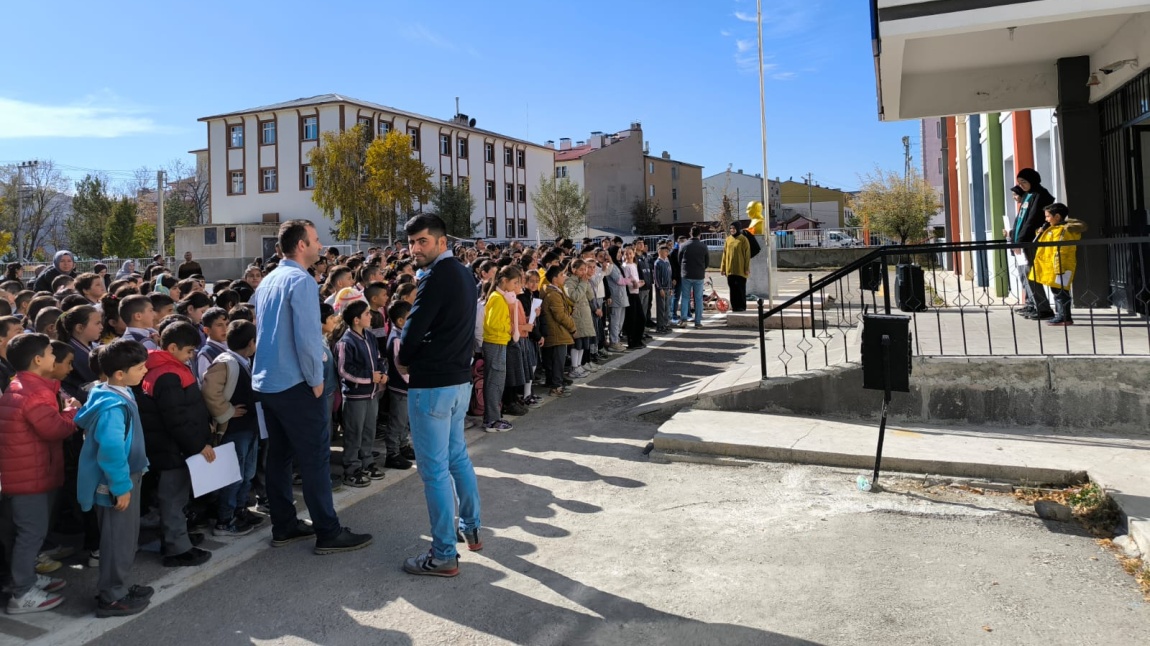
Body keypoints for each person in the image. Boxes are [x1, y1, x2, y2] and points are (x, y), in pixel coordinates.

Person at [253, 219, 372, 555]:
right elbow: (307, 339)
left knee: (279, 455)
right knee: (315, 457)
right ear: (301, 245)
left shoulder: (268, 280)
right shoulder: (300, 281)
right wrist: (317, 380)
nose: (321, 245)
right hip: (295, 382)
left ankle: (285, 525)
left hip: (269, 381)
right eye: (316, 239)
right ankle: (328, 531)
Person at [396, 214, 481, 577]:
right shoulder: (464, 272)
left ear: (442, 242)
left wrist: (403, 358)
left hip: (433, 385)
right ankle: (471, 528)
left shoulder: (435, 277)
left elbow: (413, 330)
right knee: (457, 457)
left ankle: (444, 553)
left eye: (423, 242)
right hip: (458, 381)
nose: (415, 248)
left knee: (434, 472)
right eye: (412, 242)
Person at [75, 340, 154, 617]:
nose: (145, 370)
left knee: (122, 537)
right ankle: (112, 597)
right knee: (118, 541)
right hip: (115, 481)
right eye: (140, 367)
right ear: (120, 373)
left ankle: (118, 587)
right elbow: (111, 450)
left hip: (123, 476)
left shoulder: (111, 391)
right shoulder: (113, 406)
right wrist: (121, 487)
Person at [0, 334, 79, 614]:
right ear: (37, 360)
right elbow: (55, 429)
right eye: (49, 353)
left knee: (21, 534)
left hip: (24, 474)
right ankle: (22, 594)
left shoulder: (23, 385)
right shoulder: (34, 393)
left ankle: (22, 579)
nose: (53, 358)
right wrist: (71, 413)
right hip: (29, 478)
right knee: (30, 534)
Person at [135, 321, 214, 568]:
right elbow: (175, 418)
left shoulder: (164, 366)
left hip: (174, 446)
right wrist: (197, 445)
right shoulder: (167, 374)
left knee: (176, 497)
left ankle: (177, 537)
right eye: (189, 351)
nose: (192, 356)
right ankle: (176, 549)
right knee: (173, 498)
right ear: (171, 347)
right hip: (173, 448)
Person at [201, 320, 264, 536]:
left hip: (250, 427)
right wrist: (226, 411)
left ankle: (240, 510)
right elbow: (209, 391)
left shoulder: (244, 360)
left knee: (247, 473)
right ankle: (224, 520)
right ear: (251, 342)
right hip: (234, 430)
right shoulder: (225, 362)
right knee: (233, 475)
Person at [336, 300, 387, 486]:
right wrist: (370, 377)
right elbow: (344, 370)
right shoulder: (346, 342)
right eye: (366, 314)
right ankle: (351, 468)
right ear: (356, 320)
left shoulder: (370, 337)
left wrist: (382, 374)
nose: (371, 316)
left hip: (372, 394)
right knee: (353, 432)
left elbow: (379, 359)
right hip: (355, 396)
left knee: (368, 430)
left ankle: (367, 461)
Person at [1029, 203, 1087, 327]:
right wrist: (1039, 232)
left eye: (1048, 216)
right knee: (1057, 292)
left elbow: (1059, 250)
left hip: (1060, 266)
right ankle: (1060, 315)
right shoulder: (1053, 229)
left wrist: (1058, 267)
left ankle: (1064, 317)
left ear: (1057, 216)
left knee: (1061, 293)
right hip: (1053, 266)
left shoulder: (1063, 231)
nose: (1046, 219)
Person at [1012, 168, 1057, 320]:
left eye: (1024, 182)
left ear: (1032, 180)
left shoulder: (1041, 195)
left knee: (1032, 274)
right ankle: (1034, 305)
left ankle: (1043, 308)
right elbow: (1020, 220)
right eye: (1019, 183)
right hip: (1022, 241)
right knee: (1026, 274)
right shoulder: (1027, 195)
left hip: (1031, 241)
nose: (1022, 185)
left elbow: (1031, 220)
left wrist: (1020, 240)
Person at [383, 301, 415, 469]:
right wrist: (413, 381)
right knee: (397, 421)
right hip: (400, 387)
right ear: (401, 321)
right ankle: (392, 453)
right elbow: (400, 367)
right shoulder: (396, 339)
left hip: (406, 388)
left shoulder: (403, 334)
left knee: (404, 420)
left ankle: (403, 446)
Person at [541, 264, 577, 396]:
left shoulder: (552, 291)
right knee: (558, 361)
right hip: (557, 332)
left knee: (552, 360)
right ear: (555, 279)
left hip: (553, 332)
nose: (565, 277)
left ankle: (553, 382)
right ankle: (556, 387)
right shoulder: (554, 294)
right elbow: (560, 315)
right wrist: (573, 328)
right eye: (562, 275)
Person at [679, 227, 709, 328]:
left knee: (685, 297)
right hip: (699, 275)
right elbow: (707, 262)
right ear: (699, 234)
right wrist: (701, 268)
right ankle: (698, 321)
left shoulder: (684, 245)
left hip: (686, 274)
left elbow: (679, 259)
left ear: (690, 233)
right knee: (698, 298)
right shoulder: (703, 246)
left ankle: (683, 319)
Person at [721, 223, 751, 312]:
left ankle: (741, 306)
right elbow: (724, 254)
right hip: (730, 270)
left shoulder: (743, 239)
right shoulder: (728, 239)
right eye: (730, 228)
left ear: (738, 229)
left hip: (740, 270)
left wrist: (746, 268)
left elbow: (747, 255)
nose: (732, 230)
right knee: (732, 289)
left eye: (734, 228)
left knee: (740, 289)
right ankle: (734, 306)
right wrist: (723, 268)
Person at [621, 248, 645, 349]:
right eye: (627, 254)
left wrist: (639, 283)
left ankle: (638, 340)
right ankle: (632, 341)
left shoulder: (634, 265)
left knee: (640, 318)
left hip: (636, 292)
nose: (629, 256)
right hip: (630, 294)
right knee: (633, 319)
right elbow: (626, 281)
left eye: (630, 254)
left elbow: (635, 280)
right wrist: (636, 284)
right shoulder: (625, 266)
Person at [653, 245, 673, 333]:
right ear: (660, 252)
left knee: (667, 308)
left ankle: (665, 324)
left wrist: (671, 287)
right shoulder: (658, 263)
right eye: (665, 251)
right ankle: (660, 326)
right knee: (661, 308)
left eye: (667, 252)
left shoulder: (667, 262)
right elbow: (656, 277)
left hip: (668, 288)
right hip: (661, 288)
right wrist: (660, 288)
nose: (667, 253)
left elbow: (670, 276)